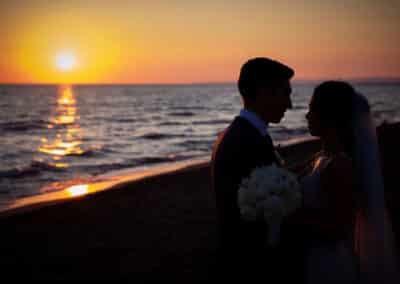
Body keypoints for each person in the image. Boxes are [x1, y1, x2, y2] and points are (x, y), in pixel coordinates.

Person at [300, 81, 398, 283]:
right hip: (316, 258)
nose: (307, 116)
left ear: (330, 117)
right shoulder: (321, 158)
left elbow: (337, 228)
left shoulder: (341, 165)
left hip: (329, 264)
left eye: (312, 109)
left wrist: (291, 214)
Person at [211, 57, 296, 281]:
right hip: (249, 265)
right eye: (285, 93)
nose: (290, 104)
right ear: (264, 92)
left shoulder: (245, 134)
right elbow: (248, 218)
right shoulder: (245, 140)